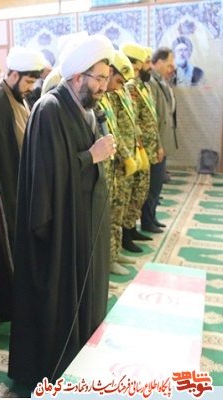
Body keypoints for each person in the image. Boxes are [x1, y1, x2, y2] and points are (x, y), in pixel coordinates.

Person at [9, 34, 116, 387]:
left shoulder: (86, 110)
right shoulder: (49, 109)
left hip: (85, 224)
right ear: (77, 76)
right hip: (60, 235)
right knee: (62, 307)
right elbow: (46, 179)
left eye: (106, 78)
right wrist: (91, 157)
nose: (104, 86)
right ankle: (56, 373)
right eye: (99, 78)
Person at [0, 47, 44, 319]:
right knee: (5, 252)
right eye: (28, 81)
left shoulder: (18, 98)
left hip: (18, 186)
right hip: (2, 192)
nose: (30, 88)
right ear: (13, 75)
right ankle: (9, 308)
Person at [102, 50, 139, 274]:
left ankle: (114, 252)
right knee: (109, 215)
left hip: (116, 163)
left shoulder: (107, 95)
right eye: (117, 81)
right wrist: (126, 156)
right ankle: (108, 258)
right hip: (108, 166)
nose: (118, 87)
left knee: (117, 211)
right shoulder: (99, 97)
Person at [123, 44, 161, 246]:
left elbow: (151, 119)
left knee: (141, 191)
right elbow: (133, 121)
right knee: (132, 193)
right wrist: (139, 148)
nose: (149, 67)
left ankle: (131, 228)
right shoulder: (130, 87)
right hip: (136, 149)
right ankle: (126, 232)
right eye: (145, 62)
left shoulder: (143, 87)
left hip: (146, 148)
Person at [142, 47, 176, 233]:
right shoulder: (151, 82)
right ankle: (147, 221)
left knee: (157, 184)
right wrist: (157, 144)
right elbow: (151, 117)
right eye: (169, 64)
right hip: (156, 143)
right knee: (152, 185)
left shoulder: (159, 81)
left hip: (161, 140)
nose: (171, 68)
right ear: (160, 62)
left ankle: (152, 217)